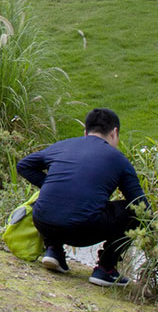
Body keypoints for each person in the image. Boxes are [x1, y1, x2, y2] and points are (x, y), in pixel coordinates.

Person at [16, 108, 146, 287]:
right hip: (84, 230)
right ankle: (105, 269)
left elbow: (24, 165)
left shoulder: (63, 145)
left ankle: (53, 251)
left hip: (43, 222)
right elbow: (141, 206)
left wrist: (48, 184)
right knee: (133, 212)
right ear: (115, 132)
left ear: (85, 132)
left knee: (54, 197)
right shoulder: (119, 159)